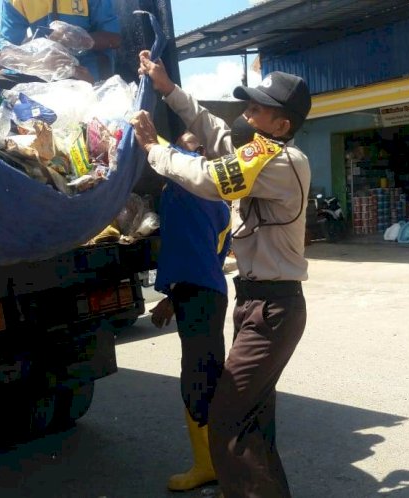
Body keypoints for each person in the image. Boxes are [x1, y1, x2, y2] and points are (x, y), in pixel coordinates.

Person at [131, 50, 311, 498]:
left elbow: (210, 177)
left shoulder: (280, 162)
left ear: (281, 124)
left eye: (257, 109)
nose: (246, 114)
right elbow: (214, 132)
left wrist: (156, 150)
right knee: (252, 423)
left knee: (228, 419)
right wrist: (168, 89)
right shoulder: (262, 155)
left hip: (273, 308)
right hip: (256, 304)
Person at [149, 127, 251, 492]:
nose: (196, 152)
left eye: (199, 148)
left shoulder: (190, 188)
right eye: (188, 147)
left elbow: (176, 165)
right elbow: (198, 256)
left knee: (199, 379)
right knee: (203, 372)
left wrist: (148, 137)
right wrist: (171, 298)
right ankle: (215, 462)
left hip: (201, 295)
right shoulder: (213, 200)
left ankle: (212, 466)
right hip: (201, 291)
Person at [0, 0, 121, 94]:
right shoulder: (14, 2)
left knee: (80, 97)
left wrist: (80, 40)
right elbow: (4, 53)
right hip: (41, 69)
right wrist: (38, 61)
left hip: (85, 68)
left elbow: (114, 39)